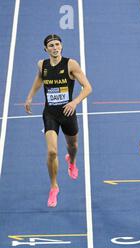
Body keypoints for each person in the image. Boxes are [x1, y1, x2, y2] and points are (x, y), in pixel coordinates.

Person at [25, 34, 92, 208]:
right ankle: (54, 186)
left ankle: (72, 161)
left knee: (73, 146)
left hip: (68, 113)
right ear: (45, 49)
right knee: (52, 152)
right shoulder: (42, 65)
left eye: (57, 45)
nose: (55, 48)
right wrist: (30, 97)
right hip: (50, 114)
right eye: (51, 45)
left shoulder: (71, 64)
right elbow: (39, 79)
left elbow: (88, 87)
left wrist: (74, 102)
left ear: (61, 47)